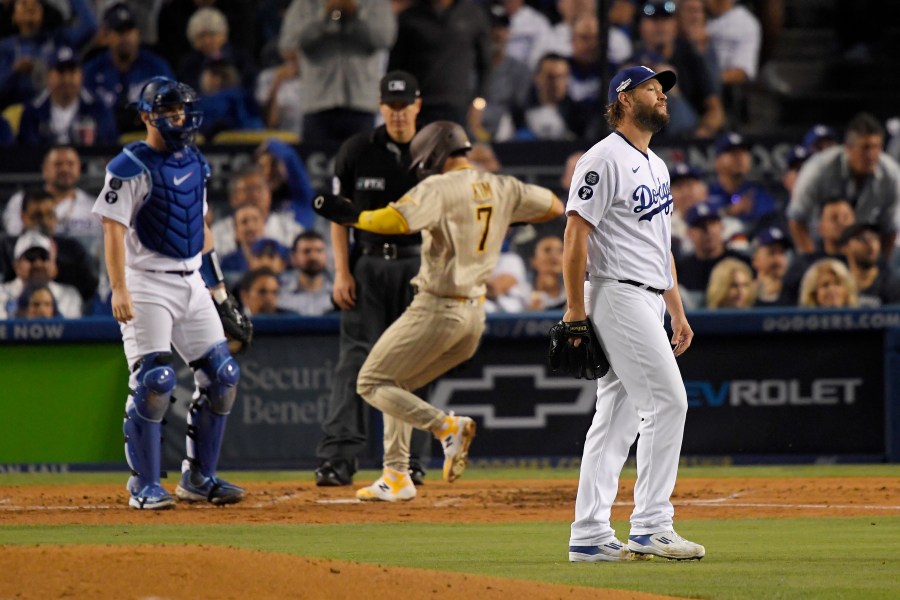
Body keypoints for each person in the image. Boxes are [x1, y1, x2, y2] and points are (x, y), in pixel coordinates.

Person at [315, 120, 564, 502]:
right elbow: (553, 206)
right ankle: (396, 475)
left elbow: (394, 221)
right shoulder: (503, 185)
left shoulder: (438, 187)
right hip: (474, 317)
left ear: (433, 154)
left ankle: (446, 426)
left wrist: (353, 217)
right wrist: (501, 214)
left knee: (370, 382)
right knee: (399, 383)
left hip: (436, 306)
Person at [562, 65, 705, 562]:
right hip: (616, 293)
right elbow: (575, 234)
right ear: (623, 99)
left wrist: (677, 311)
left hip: (646, 295)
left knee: (616, 421)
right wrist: (575, 311)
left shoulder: (658, 165)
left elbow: (659, 247)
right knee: (669, 402)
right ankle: (650, 525)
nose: (662, 95)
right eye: (651, 88)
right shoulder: (602, 159)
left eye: (663, 89)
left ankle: (589, 534)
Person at [91, 76, 251, 510]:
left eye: (181, 109)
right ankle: (143, 484)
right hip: (147, 281)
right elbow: (112, 230)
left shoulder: (195, 161)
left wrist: (220, 292)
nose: (178, 117)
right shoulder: (129, 166)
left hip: (191, 278)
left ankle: (199, 477)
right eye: (168, 110)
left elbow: (202, 227)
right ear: (147, 116)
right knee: (154, 381)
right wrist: (118, 287)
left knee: (223, 376)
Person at [314, 70, 432, 488]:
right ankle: (338, 458)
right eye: (391, 106)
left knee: (415, 365)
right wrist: (342, 271)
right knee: (355, 361)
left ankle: (411, 461)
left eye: (405, 105)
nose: (398, 113)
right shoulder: (357, 149)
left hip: (420, 265)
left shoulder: (435, 152)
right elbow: (337, 216)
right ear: (381, 107)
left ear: (417, 105)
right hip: (367, 265)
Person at [279, 0, 396, 147]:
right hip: (317, 103)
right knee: (315, 165)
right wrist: (325, 16)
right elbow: (289, 42)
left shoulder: (374, 3)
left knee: (360, 166)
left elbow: (385, 39)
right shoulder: (306, 3)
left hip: (361, 104)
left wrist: (355, 14)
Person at [788, 113, 900, 260]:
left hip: (864, 249)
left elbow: (890, 229)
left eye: (877, 147)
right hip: (821, 244)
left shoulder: (890, 174)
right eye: (865, 147)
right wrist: (810, 260)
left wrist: (881, 267)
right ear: (848, 148)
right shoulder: (819, 168)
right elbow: (797, 218)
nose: (872, 154)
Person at [82, 3, 175, 134]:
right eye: (119, 32)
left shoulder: (156, 66)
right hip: (104, 147)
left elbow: (173, 106)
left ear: (137, 34)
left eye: (129, 30)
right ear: (107, 35)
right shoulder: (92, 70)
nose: (125, 38)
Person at [17, 45, 118, 146]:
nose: (67, 79)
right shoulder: (32, 112)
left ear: (81, 75)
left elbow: (108, 150)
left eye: (72, 71)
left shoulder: (98, 108)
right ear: (48, 75)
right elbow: (27, 155)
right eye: (61, 72)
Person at [0, 229, 82, 319]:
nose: (38, 264)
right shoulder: (2, 294)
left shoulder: (69, 295)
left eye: (44, 257)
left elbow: (72, 330)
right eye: (31, 257)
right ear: (17, 265)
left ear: (54, 264)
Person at [839, 223, 900, 307]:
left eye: (875, 238)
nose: (871, 244)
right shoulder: (837, 283)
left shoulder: (893, 283)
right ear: (845, 247)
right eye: (863, 239)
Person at [278, 230, 335, 316]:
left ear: (326, 255)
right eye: (306, 251)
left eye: (319, 251)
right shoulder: (279, 292)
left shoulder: (337, 293)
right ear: (294, 257)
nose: (313, 256)